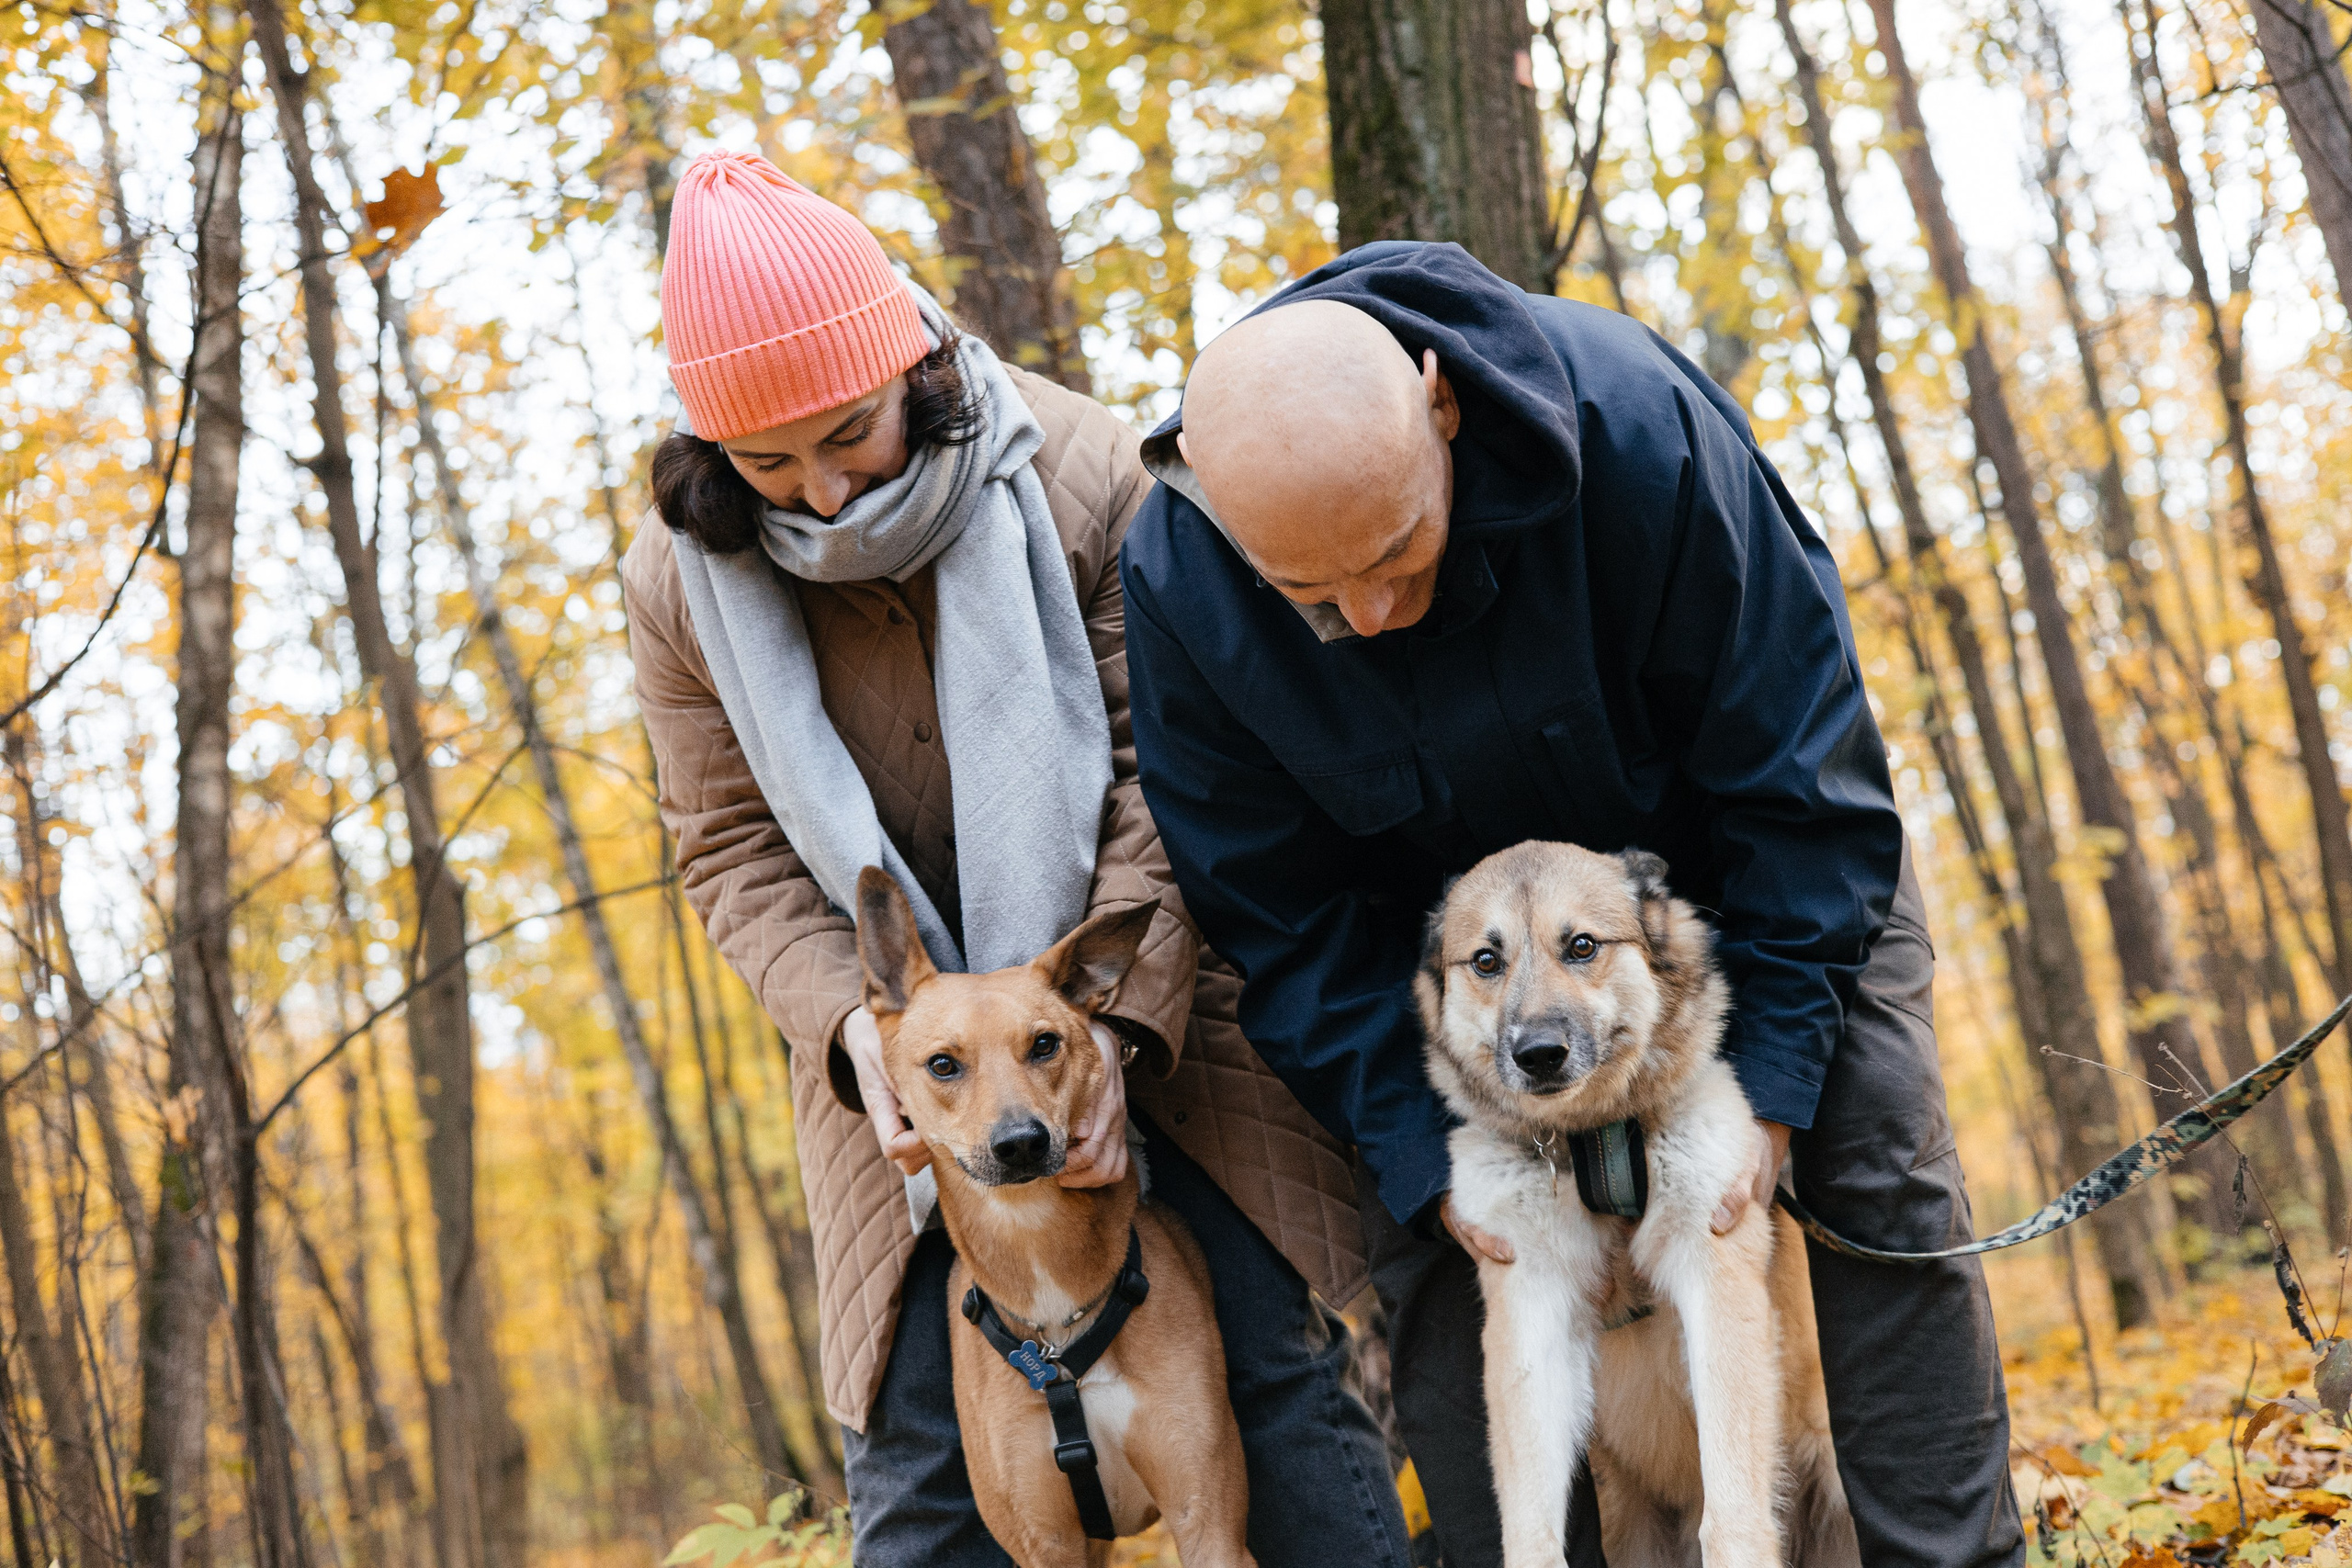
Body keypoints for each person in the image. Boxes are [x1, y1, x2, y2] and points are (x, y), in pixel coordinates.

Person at [1119, 240, 2025, 1568]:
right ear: (1206, 494)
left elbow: (1804, 781)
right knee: (1448, 1265)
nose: (1371, 610)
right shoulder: (1178, 578)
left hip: (1756, 891)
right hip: (1455, 983)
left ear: (1440, 402)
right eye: (1312, 595)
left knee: (1874, 1161)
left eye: (1397, 549)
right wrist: (1421, 1153)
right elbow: (1285, 923)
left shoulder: (1637, 426)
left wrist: (1777, 1081)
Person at [622, 151, 1410, 1566]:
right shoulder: (678, 581)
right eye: (766, 463)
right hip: (899, 1068)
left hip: (1156, 1009)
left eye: (848, 433)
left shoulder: (1085, 470)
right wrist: (856, 1033)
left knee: (1284, 1406)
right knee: (920, 1477)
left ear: (914, 366)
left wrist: (1104, 1033)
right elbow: (729, 849)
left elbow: (1178, 766)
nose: (820, 492)